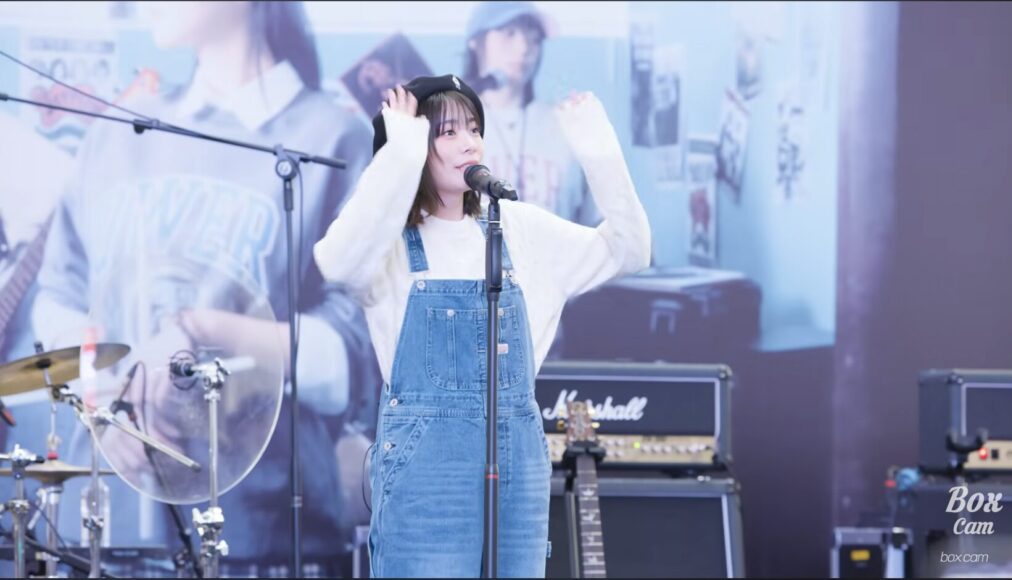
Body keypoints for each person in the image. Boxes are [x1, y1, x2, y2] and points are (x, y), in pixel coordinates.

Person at [29, 2, 376, 576]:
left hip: (261, 538)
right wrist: (106, 395)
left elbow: (353, 352)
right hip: (101, 531)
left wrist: (196, 336)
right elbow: (58, 297)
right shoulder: (118, 132)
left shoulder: (333, 139)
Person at [313, 74, 650, 577]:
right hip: (426, 473)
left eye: (474, 128)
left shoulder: (518, 227)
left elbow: (631, 250)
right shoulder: (386, 246)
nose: (470, 142)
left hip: (519, 465)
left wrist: (598, 151)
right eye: (447, 132)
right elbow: (335, 262)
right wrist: (400, 153)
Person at [462, 1, 601, 227]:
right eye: (509, 34)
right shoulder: (451, 128)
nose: (523, 48)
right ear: (476, 41)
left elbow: (599, 226)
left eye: (534, 39)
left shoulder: (565, 126)